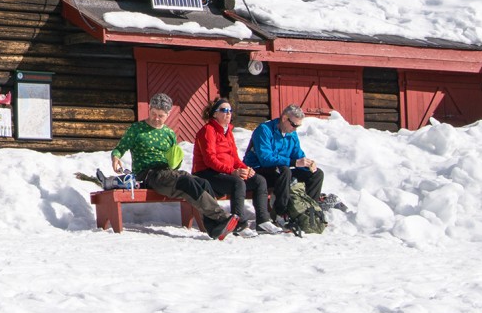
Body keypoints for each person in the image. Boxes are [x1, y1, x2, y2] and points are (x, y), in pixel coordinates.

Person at [109, 92, 239, 240]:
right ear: (149, 109)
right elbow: (121, 147)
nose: (156, 118)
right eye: (154, 114)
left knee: (202, 182)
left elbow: (174, 161)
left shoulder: (169, 134)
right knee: (187, 182)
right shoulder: (137, 129)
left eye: (161, 115)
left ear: (168, 114)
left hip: (166, 172)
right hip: (147, 174)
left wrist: (176, 160)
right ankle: (220, 217)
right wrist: (116, 157)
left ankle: (214, 227)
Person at [192, 97, 279, 234]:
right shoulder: (208, 131)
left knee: (259, 180)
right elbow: (210, 160)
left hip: (225, 173)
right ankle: (239, 224)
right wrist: (233, 171)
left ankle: (263, 221)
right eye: (224, 110)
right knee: (237, 182)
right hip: (206, 174)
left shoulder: (228, 133)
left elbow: (234, 158)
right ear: (215, 113)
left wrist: (246, 169)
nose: (228, 113)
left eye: (230, 111)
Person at [244, 104, 327, 222]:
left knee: (316, 174)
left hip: (280, 171)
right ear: (284, 118)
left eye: (298, 126)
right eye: (293, 124)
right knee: (284, 170)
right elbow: (265, 158)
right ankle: (281, 213)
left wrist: (308, 164)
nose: (295, 128)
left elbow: (297, 155)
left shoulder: (291, 134)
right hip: (257, 171)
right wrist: (293, 162)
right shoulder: (264, 130)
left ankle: (307, 210)